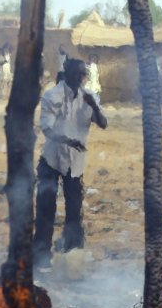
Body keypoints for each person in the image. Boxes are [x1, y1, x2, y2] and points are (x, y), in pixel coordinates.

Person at [33, 58, 108, 268]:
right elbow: (47, 128)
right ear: (66, 73)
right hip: (52, 160)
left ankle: (72, 255)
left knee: (74, 210)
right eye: (76, 73)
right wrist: (69, 140)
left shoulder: (90, 97)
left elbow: (104, 124)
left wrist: (95, 107)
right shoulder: (52, 96)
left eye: (83, 74)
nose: (80, 78)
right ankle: (41, 256)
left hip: (75, 163)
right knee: (46, 209)